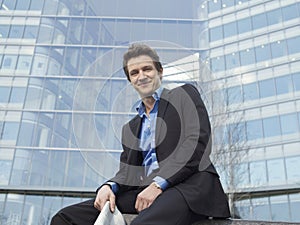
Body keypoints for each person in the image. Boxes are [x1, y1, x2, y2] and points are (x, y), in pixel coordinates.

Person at [51, 44, 230, 225]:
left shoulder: (184, 95)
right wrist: (109, 186)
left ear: (160, 72)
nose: (142, 76)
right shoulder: (130, 128)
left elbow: (196, 143)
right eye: (134, 73)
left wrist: (158, 184)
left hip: (188, 188)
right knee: (64, 218)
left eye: (147, 69)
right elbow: (127, 173)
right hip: (145, 193)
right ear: (130, 80)